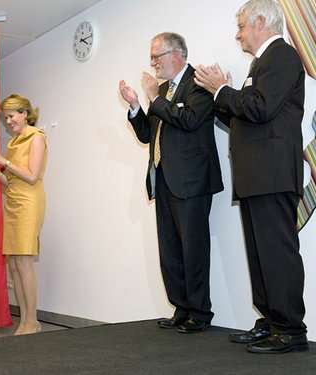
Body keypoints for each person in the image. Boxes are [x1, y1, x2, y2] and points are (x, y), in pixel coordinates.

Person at [194, 0, 307, 353]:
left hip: (271, 171)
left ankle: (290, 330)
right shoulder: (261, 64)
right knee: (260, 254)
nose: (238, 35)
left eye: (241, 26)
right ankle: (272, 321)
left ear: (260, 22)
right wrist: (222, 98)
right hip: (256, 173)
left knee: (277, 253)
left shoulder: (282, 56)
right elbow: (245, 119)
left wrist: (221, 92)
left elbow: (259, 108)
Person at [119, 33, 223, 333]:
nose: (153, 63)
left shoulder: (199, 83)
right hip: (163, 180)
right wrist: (137, 106)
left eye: (157, 56)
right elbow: (147, 134)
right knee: (170, 250)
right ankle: (182, 308)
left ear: (177, 54)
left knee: (194, 249)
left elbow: (189, 120)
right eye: (151, 58)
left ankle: (200, 314)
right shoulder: (163, 90)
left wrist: (154, 99)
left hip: (191, 182)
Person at [0, 93, 47, 335]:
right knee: (14, 264)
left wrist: (2, 161)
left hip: (29, 202)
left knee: (24, 262)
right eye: (5, 117)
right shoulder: (13, 142)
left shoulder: (36, 137)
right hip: (14, 200)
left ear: (25, 113)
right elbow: (11, 182)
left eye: (11, 116)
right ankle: (24, 320)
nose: (8, 121)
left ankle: (33, 321)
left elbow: (31, 176)